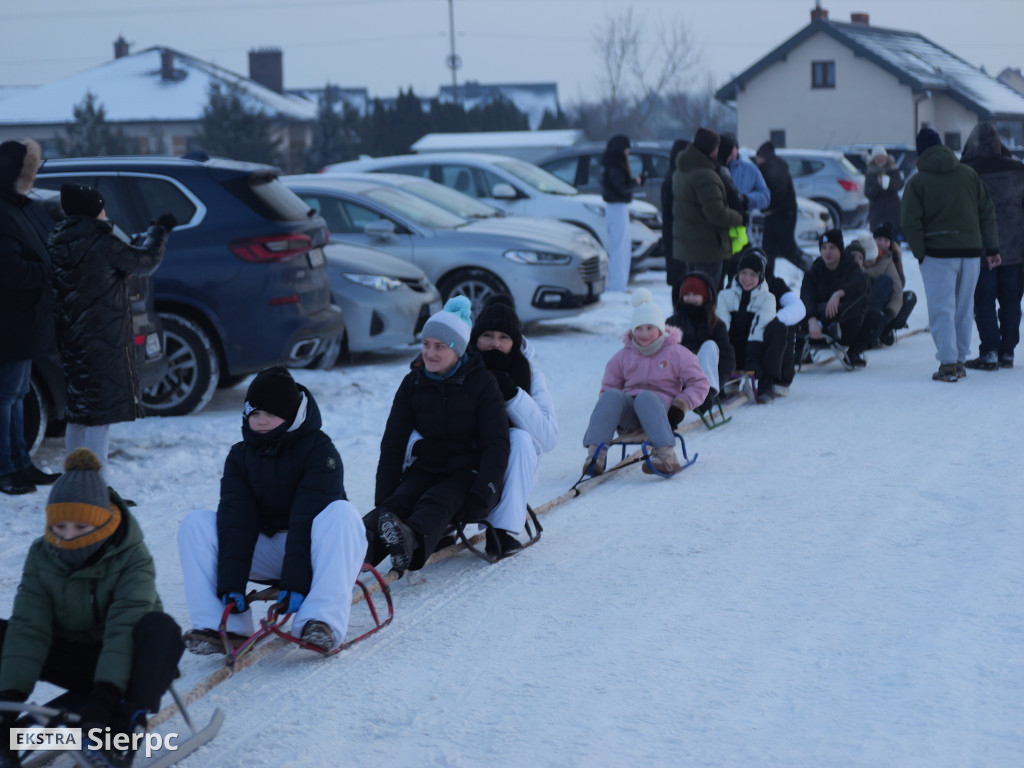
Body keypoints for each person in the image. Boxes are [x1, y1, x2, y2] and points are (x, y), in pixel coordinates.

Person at [0, 448, 184, 768]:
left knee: (160, 627)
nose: (67, 537)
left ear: (102, 522)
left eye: (80, 528)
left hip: (130, 668)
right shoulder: (42, 554)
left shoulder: (132, 556)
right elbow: (29, 628)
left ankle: (123, 730)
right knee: (7, 631)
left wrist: (104, 699)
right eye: (60, 527)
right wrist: (9, 700)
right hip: (79, 662)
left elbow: (124, 629)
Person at [177, 366, 367, 654]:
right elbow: (236, 521)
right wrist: (231, 583)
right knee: (195, 524)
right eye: (255, 413)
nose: (262, 421)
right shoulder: (240, 456)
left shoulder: (319, 450)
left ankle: (320, 621)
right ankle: (224, 626)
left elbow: (307, 517)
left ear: (290, 415)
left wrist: (295, 582)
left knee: (343, 514)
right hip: (268, 551)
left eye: (271, 413)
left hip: (315, 553)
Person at [363, 297, 510, 574]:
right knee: (399, 501)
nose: (429, 353)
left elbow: (497, 444)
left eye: (440, 346)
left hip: (467, 472)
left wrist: (484, 494)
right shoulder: (414, 382)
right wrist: (384, 494)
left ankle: (412, 541)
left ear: (458, 349)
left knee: (438, 502)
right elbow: (394, 441)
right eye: (426, 344)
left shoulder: (482, 384)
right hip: (427, 465)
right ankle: (360, 546)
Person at [48, 184, 172, 486]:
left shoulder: (59, 239)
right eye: (101, 207)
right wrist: (160, 231)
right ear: (92, 211)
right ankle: (96, 488)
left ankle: (75, 482)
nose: (105, 213)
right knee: (99, 416)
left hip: (73, 337)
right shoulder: (100, 240)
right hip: (103, 338)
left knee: (80, 412)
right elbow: (145, 261)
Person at [901, 127, 1000, 382]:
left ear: (920, 154)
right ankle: (960, 360)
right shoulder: (969, 174)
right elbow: (987, 211)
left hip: (938, 254)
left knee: (942, 309)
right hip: (971, 252)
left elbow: (910, 221)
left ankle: (948, 364)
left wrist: (921, 253)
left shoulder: (917, 182)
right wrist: (992, 248)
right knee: (964, 308)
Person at [582, 289, 709, 476]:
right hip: (631, 415)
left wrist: (680, 406)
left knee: (645, 398)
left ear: (661, 329)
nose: (644, 333)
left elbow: (700, 382)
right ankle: (596, 455)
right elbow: (608, 388)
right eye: (639, 328)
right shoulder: (623, 356)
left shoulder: (676, 353)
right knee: (611, 396)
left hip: (662, 412)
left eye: (650, 327)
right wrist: (614, 415)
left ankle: (666, 456)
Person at [469, 295, 557, 556]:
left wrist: (513, 395)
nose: (495, 343)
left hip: (508, 458)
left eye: (504, 337)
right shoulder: (460, 366)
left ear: (515, 341)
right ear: (475, 337)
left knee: (520, 439)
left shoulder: (529, 375)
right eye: (487, 335)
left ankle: (500, 530)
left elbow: (549, 438)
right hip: (466, 452)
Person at [0, 139, 61, 496]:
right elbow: (9, 270)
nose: (35, 178)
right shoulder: (4, 211)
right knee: (6, 397)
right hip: (9, 323)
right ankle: (6, 468)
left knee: (17, 393)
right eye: (31, 172)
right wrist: (46, 272)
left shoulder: (16, 207)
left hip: (23, 323)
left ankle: (20, 463)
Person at [959, 122, 1024, 371]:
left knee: (983, 300)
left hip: (981, 250)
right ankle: (1007, 351)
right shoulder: (1017, 170)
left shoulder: (966, 172)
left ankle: (989, 350)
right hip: (1014, 250)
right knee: (1011, 301)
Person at [672, 127, 743, 290]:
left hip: (690, 246)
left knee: (694, 293)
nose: (718, 151)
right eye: (716, 147)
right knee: (708, 293)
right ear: (711, 149)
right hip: (707, 248)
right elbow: (717, 214)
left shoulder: (682, 171)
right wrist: (739, 217)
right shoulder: (706, 176)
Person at [716, 249, 780, 402]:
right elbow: (722, 327)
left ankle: (766, 383)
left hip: (757, 350)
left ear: (761, 277)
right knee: (715, 332)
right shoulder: (725, 296)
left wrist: (753, 359)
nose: (747, 279)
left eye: (753, 274)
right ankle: (719, 382)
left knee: (777, 328)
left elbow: (759, 327)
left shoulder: (768, 298)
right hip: (732, 350)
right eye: (744, 273)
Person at [666, 272, 736, 413]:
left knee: (710, 346)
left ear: (705, 296)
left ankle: (706, 393)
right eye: (687, 294)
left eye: (695, 294)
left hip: (704, 375)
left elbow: (727, 359)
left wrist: (719, 383)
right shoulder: (672, 322)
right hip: (680, 374)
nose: (691, 298)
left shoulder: (716, 325)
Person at [799, 229, 869, 368]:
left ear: (840, 250)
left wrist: (839, 293)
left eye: (832, 247)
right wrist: (812, 319)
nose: (827, 252)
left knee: (867, 306)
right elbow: (806, 294)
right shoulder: (815, 269)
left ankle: (854, 353)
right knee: (795, 308)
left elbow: (860, 283)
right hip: (816, 323)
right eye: (824, 248)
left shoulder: (850, 266)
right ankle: (798, 350)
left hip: (846, 325)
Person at [846, 238, 903, 353]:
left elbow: (897, 289)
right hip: (862, 304)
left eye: (873, 259)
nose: (870, 263)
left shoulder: (887, 262)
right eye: (867, 260)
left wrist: (890, 312)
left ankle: (883, 329)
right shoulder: (855, 264)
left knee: (893, 287)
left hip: (881, 302)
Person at [600, 135, 640, 293]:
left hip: (616, 206)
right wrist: (635, 182)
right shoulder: (615, 166)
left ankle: (618, 282)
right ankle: (617, 284)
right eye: (626, 148)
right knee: (620, 245)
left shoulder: (611, 164)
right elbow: (621, 188)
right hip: (617, 206)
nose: (628, 152)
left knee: (621, 245)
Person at [755, 141, 800, 278]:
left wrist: (766, 205)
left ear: (764, 157)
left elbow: (776, 192)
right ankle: (767, 279)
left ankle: (813, 269)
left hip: (779, 214)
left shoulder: (769, 169)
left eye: (759, 157)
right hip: (782, 213)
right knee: (770, 249)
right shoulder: (778, 166)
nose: (757, 160)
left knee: (785, 250)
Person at [763, 268, 806, 395]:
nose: (748, 278)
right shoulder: (735, 287)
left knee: (782, 325)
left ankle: (781, 375)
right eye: (744, 273)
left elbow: (797, 307)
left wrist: (774, 320)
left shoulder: (775, 285)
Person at [872, 222, 917, 344]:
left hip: (889, 298)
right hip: (873, 298)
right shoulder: (867, 255)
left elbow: (900, 283)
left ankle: (887, 328)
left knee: (909, 297)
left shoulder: (893, 257)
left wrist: (896, 262)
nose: (882, 243)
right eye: (879, 239)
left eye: (886, 240)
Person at [661, 139, 690, 290]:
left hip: (675, 235)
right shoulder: (675, 177)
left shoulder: (675, 175)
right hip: (677, 236)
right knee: (681, 280)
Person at [864, 145, 904, 234]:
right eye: (877, 158)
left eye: (881, 157)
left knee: (894, 237)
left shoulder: (893, 169)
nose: (879, 160)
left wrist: (889, 182)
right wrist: (878, 185)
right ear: (873, 159)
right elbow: (867, 192)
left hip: (893, 212)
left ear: (885, 157)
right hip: (877, 213)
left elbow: (899, 185)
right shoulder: (870, 172)